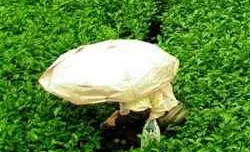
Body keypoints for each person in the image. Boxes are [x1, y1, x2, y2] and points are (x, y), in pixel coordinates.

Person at [39, 40, 186, 141]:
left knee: (124, 132)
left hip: (160, 117)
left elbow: (139, 113)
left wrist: (115, 121)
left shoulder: (133, 87)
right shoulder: (146, 69)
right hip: (168, 105)